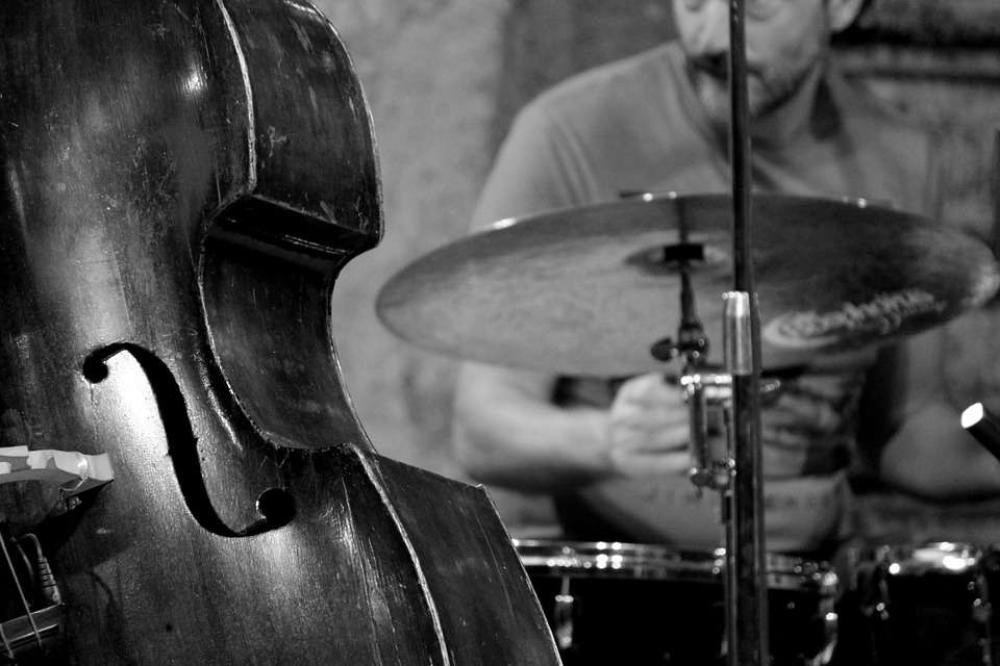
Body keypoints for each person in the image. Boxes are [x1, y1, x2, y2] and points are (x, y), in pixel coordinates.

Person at [451, 0, 947, 560]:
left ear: (841, 7)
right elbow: (484, 429)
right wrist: (606, 440)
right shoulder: (570, 130)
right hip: (606, 575)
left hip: (809, 578)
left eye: (755, 7)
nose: (713, 36)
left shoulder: (902, 160)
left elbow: (905, 430)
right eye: (692, 1)